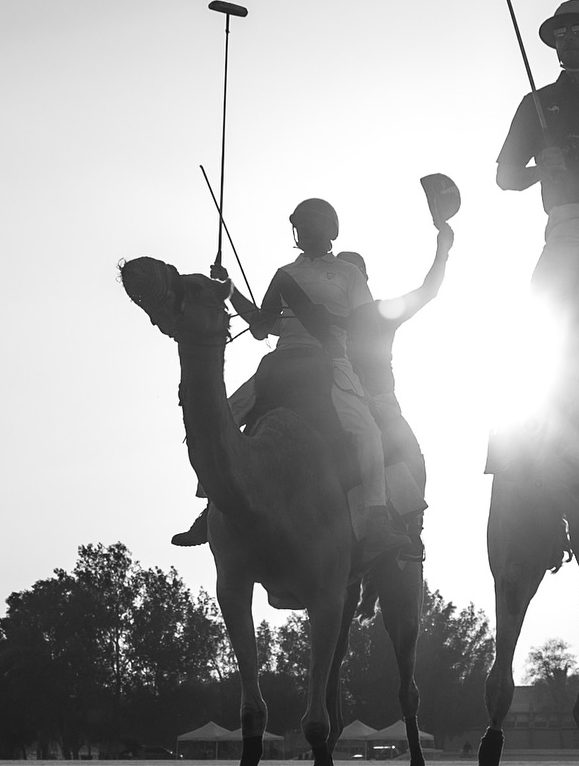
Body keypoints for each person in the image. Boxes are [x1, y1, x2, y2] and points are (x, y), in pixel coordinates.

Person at [173, 199, 404, 565]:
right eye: (301, 225)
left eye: (311, 224)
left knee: (367, 431)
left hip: (330, 360)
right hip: (282, 359)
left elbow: (366, 325)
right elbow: (263, 326)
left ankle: (377, 517)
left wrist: (332, 321)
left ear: (328, 230)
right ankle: (211, 506)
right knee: (223, 415)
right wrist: (228, 290)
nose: (305, 232)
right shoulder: (284, 273)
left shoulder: (348, 273)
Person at [337, 217, 454, 559]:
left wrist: (442, 251)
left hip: (375, 403)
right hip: (344, 401)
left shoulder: (378, 313)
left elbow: (428, 291)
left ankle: (409, 526)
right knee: (406, 452)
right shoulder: (324, 315)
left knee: (406, 452)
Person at [495, 0, 579, 308]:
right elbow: (504, 177)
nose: (567, 38)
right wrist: (541, 171)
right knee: (545, 302)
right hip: (568, 222)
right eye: (560, 33)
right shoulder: (535, 102)